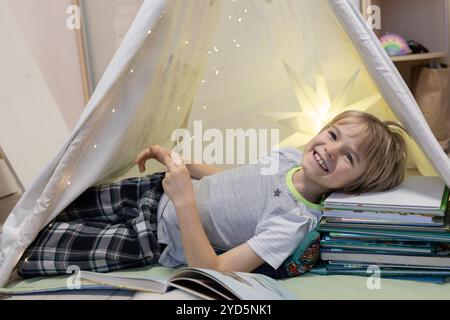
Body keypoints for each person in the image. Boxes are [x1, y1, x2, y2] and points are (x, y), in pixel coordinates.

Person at [17, 110, 407, 277]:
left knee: (40, 248)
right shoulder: (289, 157)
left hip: (153, 238)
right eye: (333, 135)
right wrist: (186, 166)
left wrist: (186, 200)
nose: (329, 150)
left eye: (348, 157)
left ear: (354, 186)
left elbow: (213, 269)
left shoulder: (294, 222)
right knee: (50, 208)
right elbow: (235, 178)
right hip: (153, 190)